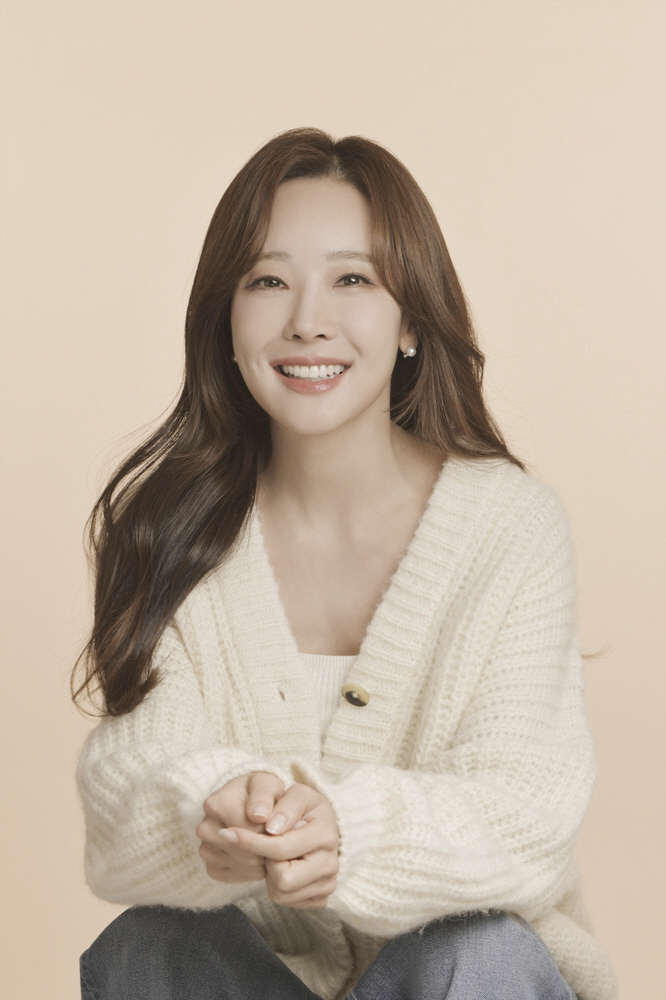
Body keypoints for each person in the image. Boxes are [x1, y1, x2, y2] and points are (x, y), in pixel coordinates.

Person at [73, 128, 615, 1000]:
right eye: (268, 281)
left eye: (352, 279)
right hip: (246, 978)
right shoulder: (166, 530)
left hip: (456, 982)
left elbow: (527, 806)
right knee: (148, 946)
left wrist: (349, 833)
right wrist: (211, 808)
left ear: (412, 320)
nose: (307, 320)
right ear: (225, 319)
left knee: (478, 952)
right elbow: (126, 784)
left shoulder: (509, 527)